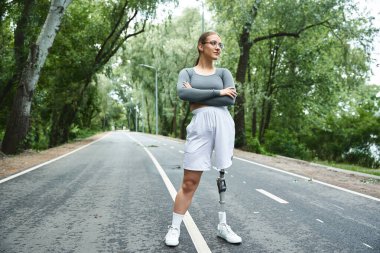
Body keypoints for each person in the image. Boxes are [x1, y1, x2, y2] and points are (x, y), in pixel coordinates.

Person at [165, 31, 242, 247]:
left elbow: (231, 100)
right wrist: (218, 93)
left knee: (222, 175)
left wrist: (198, 94)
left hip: (223, 124)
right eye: (213, 43)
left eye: (221, 44)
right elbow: (183, 94)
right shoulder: (187, 72)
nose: (218, 47)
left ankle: (223, 226)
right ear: (201, 46)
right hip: (200, 126)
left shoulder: (224, 72)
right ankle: (174, 228)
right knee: (189, 181)